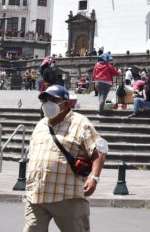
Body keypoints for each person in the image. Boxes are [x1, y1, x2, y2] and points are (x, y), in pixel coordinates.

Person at [24, 85, 107, 232]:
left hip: (67, 195)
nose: (48, 103)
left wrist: (94, 178)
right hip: (36, 195)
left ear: (66, 103)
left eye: (54, 99)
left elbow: (99, 150)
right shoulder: (41, 125)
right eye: (45, 99)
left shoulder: (81, 123)